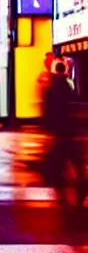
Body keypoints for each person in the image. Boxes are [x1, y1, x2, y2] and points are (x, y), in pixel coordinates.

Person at [43, 59, 85, 208]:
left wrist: (48, 131)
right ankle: (80, 192)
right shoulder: (69, 87)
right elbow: (74, 107)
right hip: (69, 131)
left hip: (58, 132)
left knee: (58, 164)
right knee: (77, 164)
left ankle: (62, 195)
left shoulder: (50, 88)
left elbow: (47, 112)